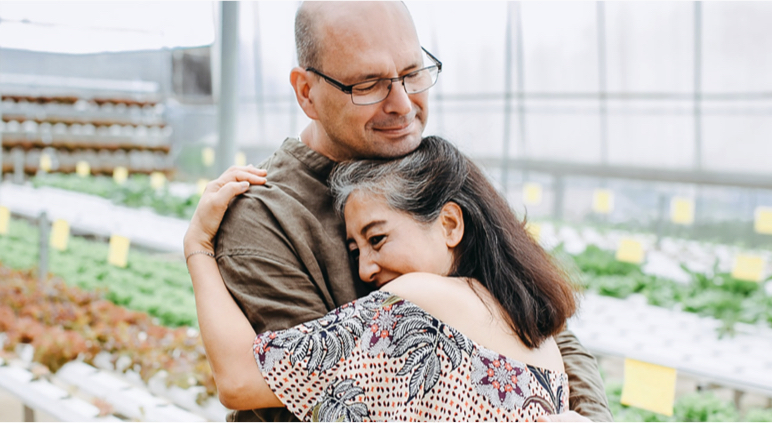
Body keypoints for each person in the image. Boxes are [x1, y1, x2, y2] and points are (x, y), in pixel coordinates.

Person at [211, 2, 611, 421]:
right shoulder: (263, 214)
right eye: (369, 83)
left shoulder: (422, 165)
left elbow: (535, 313)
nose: (403, 105)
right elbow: (303, 393)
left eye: (412, 74)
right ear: (306, 92)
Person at [185, 136, 578, 421]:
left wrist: (198, 246)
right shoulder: (544, 346)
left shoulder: (416, 301)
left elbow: (239, 379)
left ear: (449, 224)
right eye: (355, 250)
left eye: (377, 238)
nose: (365, 269)